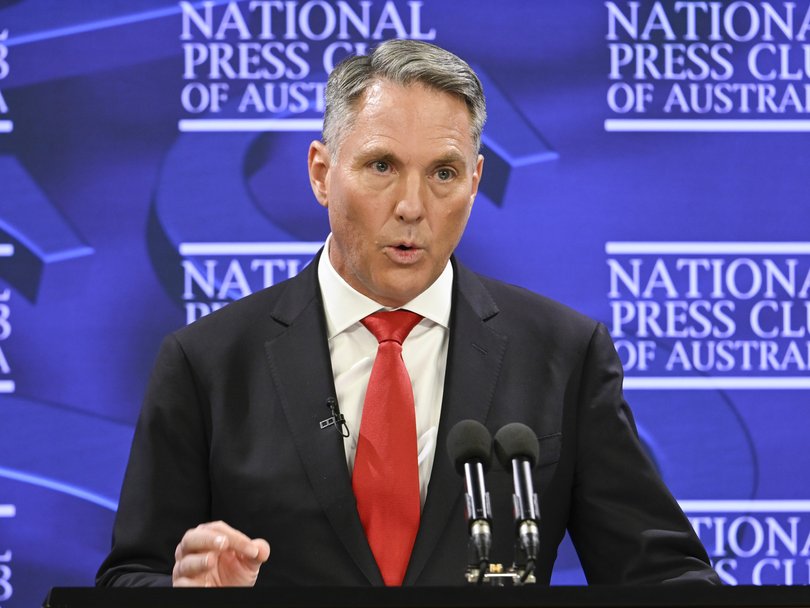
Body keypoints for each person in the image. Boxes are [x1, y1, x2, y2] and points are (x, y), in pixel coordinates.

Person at [97, 39, 719, 588]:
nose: (412, 206)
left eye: (443, 173)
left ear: (475, 182)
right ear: (321, 173)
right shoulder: (205, 363)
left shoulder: (564, 353)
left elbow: (662, 573)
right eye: (381, 166)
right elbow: (130, 575)